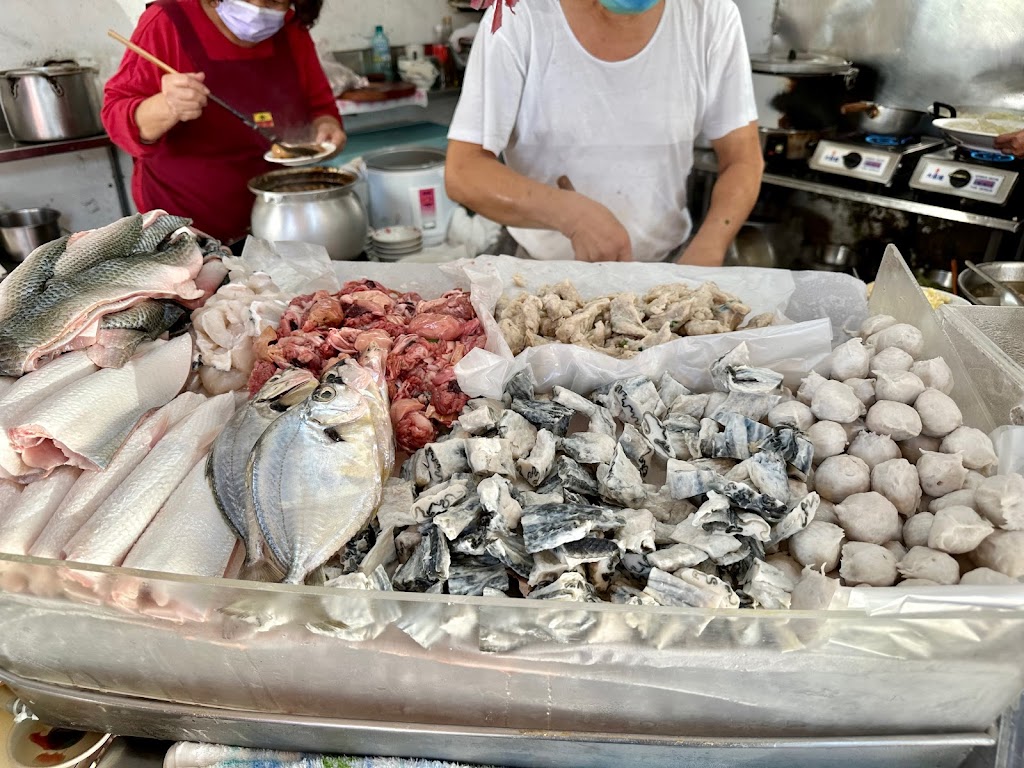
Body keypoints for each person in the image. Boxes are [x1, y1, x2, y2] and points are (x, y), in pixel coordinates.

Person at [445, 0, 763, 265]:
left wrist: (709, 247)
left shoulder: (710, 16)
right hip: (540, 276)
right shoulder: (519, 16)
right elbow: (464, 171)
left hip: (666, 267)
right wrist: (571, 215)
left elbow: (743, 159)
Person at [103, 0, 345, 245]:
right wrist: (166, 106)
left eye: (276, 1)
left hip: (278, 223)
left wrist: (327, 127)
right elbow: (115, 116)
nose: (259, 7)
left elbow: (320, 107)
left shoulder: (290, 28)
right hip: (185, 232)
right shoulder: (167, 21)